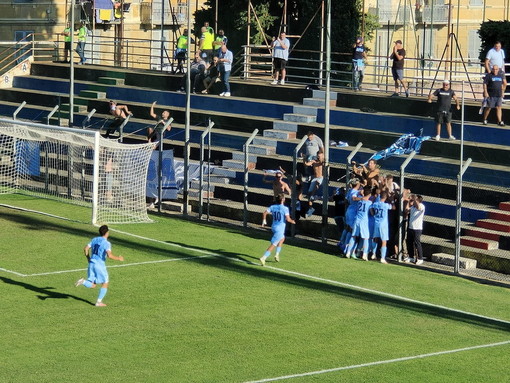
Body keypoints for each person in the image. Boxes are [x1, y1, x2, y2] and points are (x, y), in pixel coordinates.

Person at [75, 225, 124, 306]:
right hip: (99, 264)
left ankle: (83, 281)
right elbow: (109, 255)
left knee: (93, 285)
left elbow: (86, 248)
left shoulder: (95, 239)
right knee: (105, 282)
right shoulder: (107, 243)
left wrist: (88, 258)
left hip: (91, 264)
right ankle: (98, 302)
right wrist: (119, 258)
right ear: (107, 232)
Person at [259, 193, 296, 266]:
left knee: (282, 239)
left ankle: (277, 254)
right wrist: (293, 221)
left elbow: (265, 213)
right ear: (282, 200)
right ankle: (264, 257)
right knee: (274, 244)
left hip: (274, 226)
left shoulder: (273, 207)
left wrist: (264, 220)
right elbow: (288, 219)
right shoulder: (285, 208)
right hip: (279, 228)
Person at [344, 186, 373, 260]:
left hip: (357, 220)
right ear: (369, 194)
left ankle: (348, 252)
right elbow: (372, 213)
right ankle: (364, 254)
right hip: (364, 221)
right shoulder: (369, 203)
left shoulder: (359, 201)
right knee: (366, 238)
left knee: (353, 236)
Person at [370, 191, 394, 264]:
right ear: (385, 197)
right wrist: (392, 200)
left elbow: (371, 208)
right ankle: (382, 258)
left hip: (376, 222)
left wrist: (373, 214)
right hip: (383, 224)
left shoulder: (375, 204)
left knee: (375, 239)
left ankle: (373, 254)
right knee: (384, 241)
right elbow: (393, 207)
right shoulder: (386, 205)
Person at [405, 194, 425, 265]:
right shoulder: (413, 207)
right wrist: (408, 201)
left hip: (417, 228)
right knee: (409, 242)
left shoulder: (422, 206)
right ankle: (411, 257)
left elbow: (419, 207)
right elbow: (407, 211)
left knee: (417, 243)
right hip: (411, 227)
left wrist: (414, 198)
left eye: (415, 199)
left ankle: (420, 258)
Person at [304, 152, 324, 217]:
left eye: (320, 156)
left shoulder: (323, 162)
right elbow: (306, 164)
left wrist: (321, 159)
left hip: (321, 178)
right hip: (315, 178)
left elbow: (322, 163)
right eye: (318, 156)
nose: (318, 157)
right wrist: (304, 159)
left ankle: (314, 196)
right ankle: (310, 208)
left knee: (317, 184)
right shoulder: (314, 161)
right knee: (309, 194)